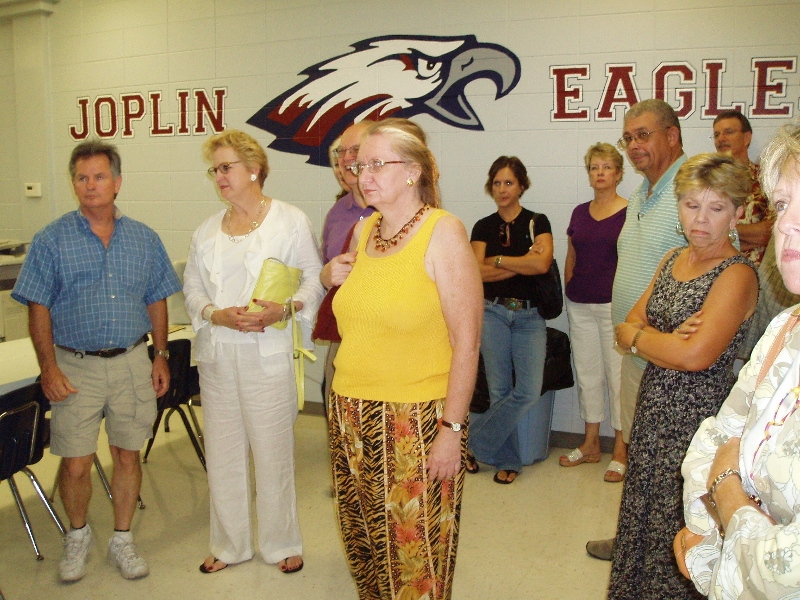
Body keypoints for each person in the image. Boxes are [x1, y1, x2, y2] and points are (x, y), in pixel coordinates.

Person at [322, 118, 482, 600]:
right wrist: (329, 276)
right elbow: (360, 316)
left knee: (415, 558)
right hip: (351, 413)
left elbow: (468, 341)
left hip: (412, 420)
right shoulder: (362, 230)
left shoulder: (443, 232)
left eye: (376, 164)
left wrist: (451, 432)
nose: (361, 174)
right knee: (365, 545)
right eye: (358, 164)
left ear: (412, 171)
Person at [11, 139, 181, 582]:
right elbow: (38, 306)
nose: (91, 185)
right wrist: (48, 367)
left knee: (127, 455)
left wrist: (159, 356)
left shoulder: (144, 238)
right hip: (75, 367)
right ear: (73, 184)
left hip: (131, 362)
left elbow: (157, 298)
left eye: (100, 176)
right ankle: (78, 533)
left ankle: (122, 538)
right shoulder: (51, 239)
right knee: (75, 461)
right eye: (82, 178)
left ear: (117, 182)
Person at [608, 153, 758, 599]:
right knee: (643, 524)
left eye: (716, 208)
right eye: (692, 205)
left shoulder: (736, 274)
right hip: (653, 413)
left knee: (681, 535)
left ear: (735, 212)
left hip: (695, 426)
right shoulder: (673, 257)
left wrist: (646, 336)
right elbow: (623, 327)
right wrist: (659, 338)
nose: (701, 219)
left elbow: (695, 356)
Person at [183, 129, 324, 575]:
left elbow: (315, 277)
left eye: (226, 168)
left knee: (273, 451)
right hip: (219, 355)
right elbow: (190, 288)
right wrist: (213, 313)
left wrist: (284, 309)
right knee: (223, 454)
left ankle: (281, 543)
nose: (218, 177)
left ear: (254, 170)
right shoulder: (206, 231)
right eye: (214, 170)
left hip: (269, 351)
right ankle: (229, 545)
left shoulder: (289, 219)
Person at [676, 118, 800, 600]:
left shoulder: (735, 274)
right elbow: (715, 436)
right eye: (784, 203)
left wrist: (728, 490)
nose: (786, 225)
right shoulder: (785, 331)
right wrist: (712, 539)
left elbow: (784, 571)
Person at [586, 98, 688, 561]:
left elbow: (720, 269)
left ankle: (676, 553)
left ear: (672, 135)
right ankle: (635, 540)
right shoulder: (645, 194)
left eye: (643, 135)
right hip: (636, 349)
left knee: (671, 466)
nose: (633, 146)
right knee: (641, 460)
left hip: (671, 358)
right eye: (629, 138)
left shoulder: (691, 186)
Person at [466, 156, 553, 485]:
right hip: (493, 313)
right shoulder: (482, 226)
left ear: (521, 186)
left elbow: (542, 265)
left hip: (530, 316)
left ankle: (471, 443)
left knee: (528, 390)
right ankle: (508, 461)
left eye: (509, 183)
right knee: (500, 391)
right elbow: (476, 271)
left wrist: (499, 260)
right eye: (497, 183)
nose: (503, 189)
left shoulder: (537, 222)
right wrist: (521, 262)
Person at [560, 143, 628, 482]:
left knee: (617, 378)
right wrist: (568, 282)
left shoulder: (631, 211)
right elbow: (571, 251)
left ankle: (620, 449)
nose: (599, 173)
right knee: (588, 374)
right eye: (594, 168)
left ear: (618, 173)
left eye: (606, 167)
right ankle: (590, 444)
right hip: (580, 303)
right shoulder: (578, 212)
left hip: (614, 308)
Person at [316, 123, 376, 406]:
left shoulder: (396, 208)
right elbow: (325, 270)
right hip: (344, 334)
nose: (347, 158)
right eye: (343, 152)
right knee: (337, 409)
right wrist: (325, 276)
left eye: (356, 150)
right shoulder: (338, 213)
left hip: (388, 335)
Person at [713, 110, 772, 266]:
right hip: (717, 275)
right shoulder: (709, 182)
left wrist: (722, 232)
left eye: (729, 132)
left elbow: (769, 233)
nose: (721, 139)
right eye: (717, 134)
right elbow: (703, 237)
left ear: (747, 138)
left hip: (759, 279)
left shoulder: (766, 178)